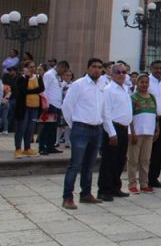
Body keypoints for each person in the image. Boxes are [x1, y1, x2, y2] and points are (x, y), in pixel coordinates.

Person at [61, 58, 105, 210]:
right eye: (94, 67)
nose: (97, 70)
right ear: (87, 68)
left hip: (96, 129)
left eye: (100, 67)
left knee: (89, 165)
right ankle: (67, 197)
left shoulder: (102, 85)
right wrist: (74, 125)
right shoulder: (78, 85)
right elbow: (67, 107)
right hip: (81, 129)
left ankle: (86, 194)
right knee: (75, 165)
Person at [97, 62, 132, 201]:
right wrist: (111, 132)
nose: (121, 75)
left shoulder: (125, 89)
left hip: (124, 128)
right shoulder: (108, 90)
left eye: (124, 72)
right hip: (113, 129)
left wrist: (128, 129)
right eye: (118, 72)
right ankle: (104, 190)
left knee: (119, 160)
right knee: (109, 161)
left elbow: (126, 111)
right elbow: (106, 113)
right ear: (112, 74)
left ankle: (115, 187)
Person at [127, 73, 159, 194]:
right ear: (137, 83)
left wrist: (157, 129)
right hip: (137, 133)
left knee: (145, 159)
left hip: (149, 133)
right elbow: (129, 117)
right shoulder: (133, 98)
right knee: (133, 159)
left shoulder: (152, 97)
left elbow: (155, 115)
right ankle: (132, 184)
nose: (144, 84)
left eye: (146, 82)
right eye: (142, 82)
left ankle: (144, 183)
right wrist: (132, 132)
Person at [14, 60, 45, 158]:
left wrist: (29, 91)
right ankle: (18, 149)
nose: (32, 69)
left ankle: (27, 148)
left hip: (35, 107)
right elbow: (22, 91)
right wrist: (27, 77)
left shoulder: (38, 77)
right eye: (30, 67)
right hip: (24, 108)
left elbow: (41, 88)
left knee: (30, 129)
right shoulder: (21, 78)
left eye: (33, 67)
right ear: (25, 68)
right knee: (21, 129)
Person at [148, 60, 161, 188]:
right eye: (156, 68)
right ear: (151, 69)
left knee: (159, 151)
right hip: (150, 118)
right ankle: (146, 179)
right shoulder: (147, 81)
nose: (159, 71)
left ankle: (154, 178)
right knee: (148, 151)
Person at [40, 60, 69, 155]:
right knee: (47, 127)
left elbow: (57, 88)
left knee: (53, 127)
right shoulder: (49, 75)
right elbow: (44, 89)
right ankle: (42, 147)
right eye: (64, 71)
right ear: (61, 67)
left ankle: (50, 146)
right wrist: (45, 104)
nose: (64, 73)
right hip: (50, 104)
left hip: (57, 105)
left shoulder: (57, 76)